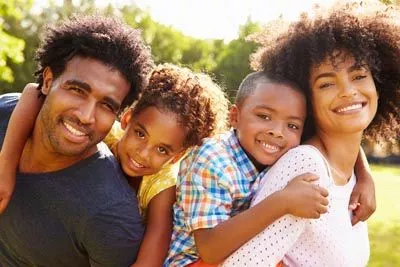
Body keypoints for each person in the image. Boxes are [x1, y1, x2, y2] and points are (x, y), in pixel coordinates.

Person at [222, 1, 399, 266]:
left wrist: (364, 174)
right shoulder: (307, 166)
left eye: (359, 75)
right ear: (307, 100)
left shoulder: (349, 172)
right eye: (327, 83)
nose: (348, 91)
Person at [0, 63, 230, 267]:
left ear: (176, 157)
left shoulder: (163, 185)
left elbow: (150, 259)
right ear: (127, 120)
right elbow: (33, 92)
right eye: (141, 134)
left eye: (162, 149)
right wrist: (7, 164)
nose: (143, 153)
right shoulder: (105, 131)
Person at [166, 69, 377, 267]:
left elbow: (337, 140)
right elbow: (210, 249)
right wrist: (282, 201)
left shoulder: (278, 149)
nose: (277, 132)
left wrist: (365, 176)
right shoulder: (213, 159)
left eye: (292, 125)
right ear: (235, 117)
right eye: (264, 117)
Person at [0, 15, 153, 266]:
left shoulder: (109, 215)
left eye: (106, 105)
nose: (86, 116)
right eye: (77, 90)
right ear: (48, 81)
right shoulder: (6, 112)